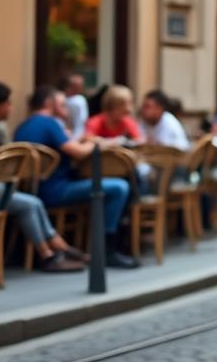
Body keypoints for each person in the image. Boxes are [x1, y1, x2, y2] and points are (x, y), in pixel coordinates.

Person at [0, 81, 84, 272]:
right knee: (30, 204)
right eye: (8, 103)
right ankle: (49, 255)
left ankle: (58, 247)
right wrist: (5, 157)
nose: (10, 107)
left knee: (32, 202)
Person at [14, 85, 139, 269]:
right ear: (50, 104)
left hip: (32, 189)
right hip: (55, 190)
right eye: (63, 104)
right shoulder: (50, 123)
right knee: (119, 187)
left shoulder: (22, 126)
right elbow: (78, 153)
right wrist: (97, 143)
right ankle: (107, 250)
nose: (67, 108)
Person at [60, 74, 89, 139]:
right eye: (77, 86)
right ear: (68, 87)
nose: (81, 88)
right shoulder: (78, 100)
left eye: (82, 85)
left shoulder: (77, 100)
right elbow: (79, 125)